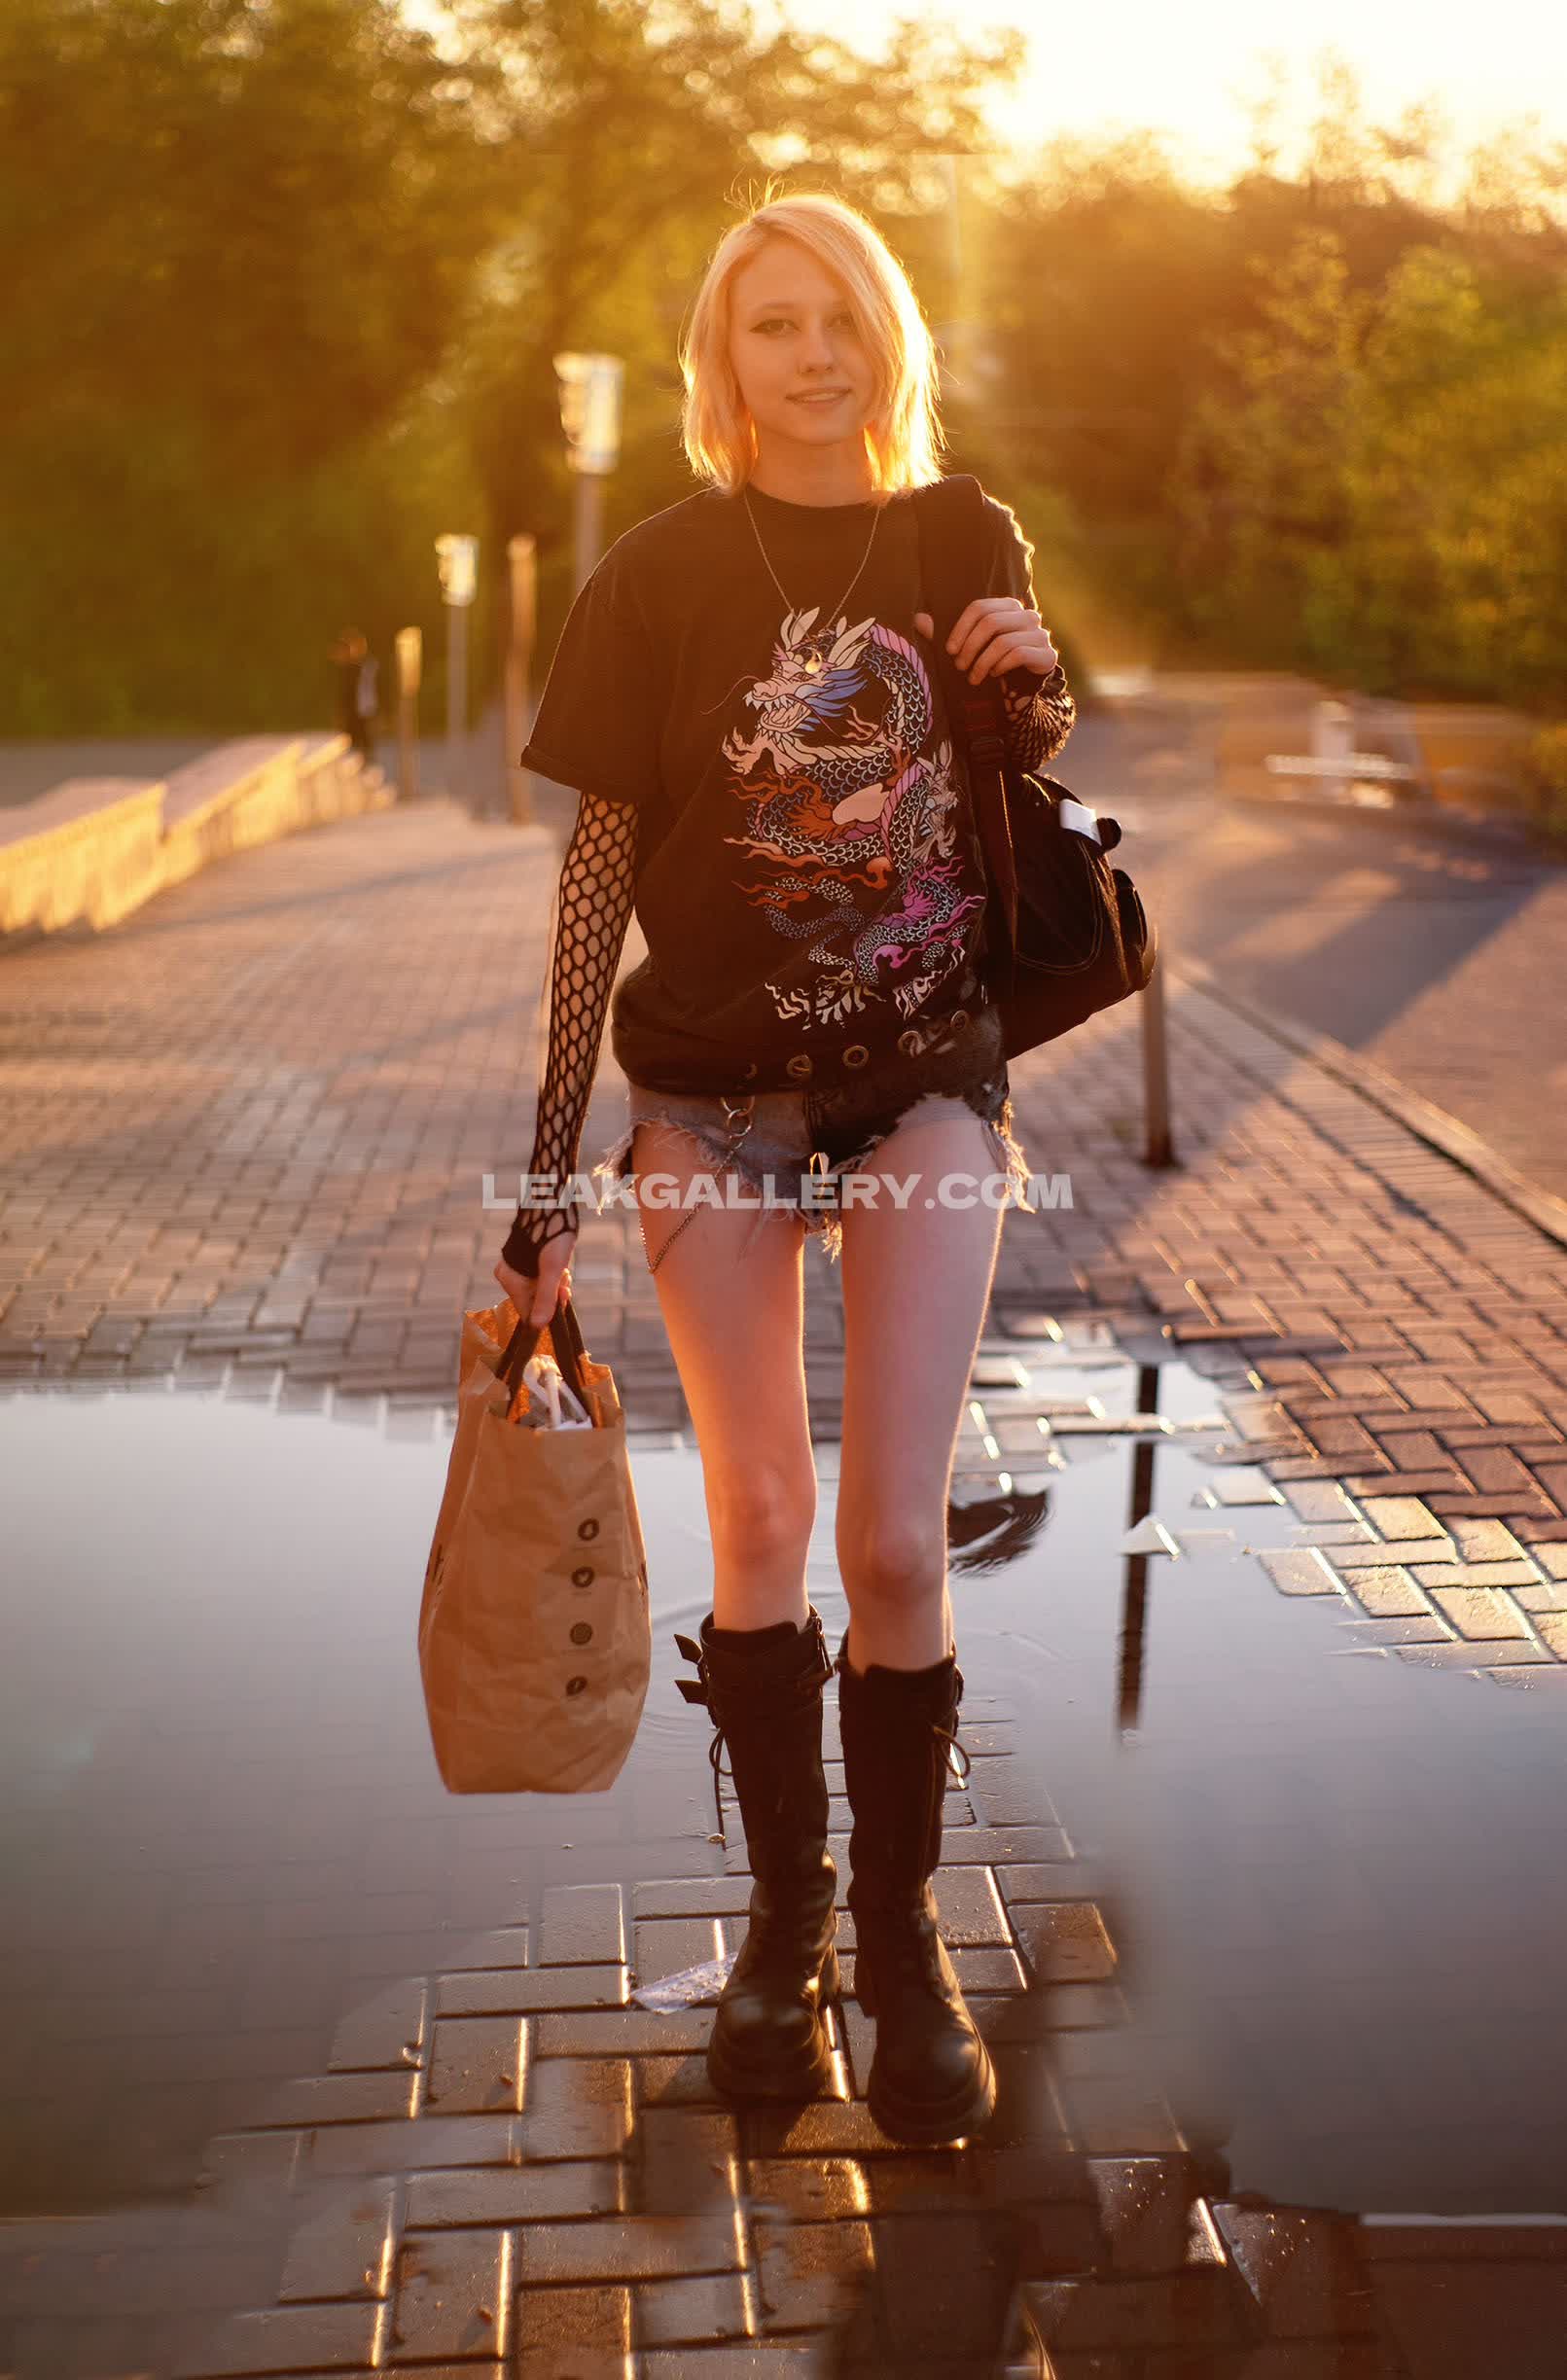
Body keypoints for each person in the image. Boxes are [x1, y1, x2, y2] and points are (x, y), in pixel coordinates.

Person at [492, 192, 1075, 2146]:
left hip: (919, 1083)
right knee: (757, 1514)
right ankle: (783, 1928)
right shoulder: (652, 574)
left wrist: (1031, 679)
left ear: (885, 338)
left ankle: (902, 1946)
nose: (812, 353)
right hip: (712, 1101)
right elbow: (594, 878)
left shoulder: (955, 530)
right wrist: (547, 1182)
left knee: (894, 1543)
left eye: (841, 317)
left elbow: (1019, 753)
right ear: (721, 360)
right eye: (772, 323)